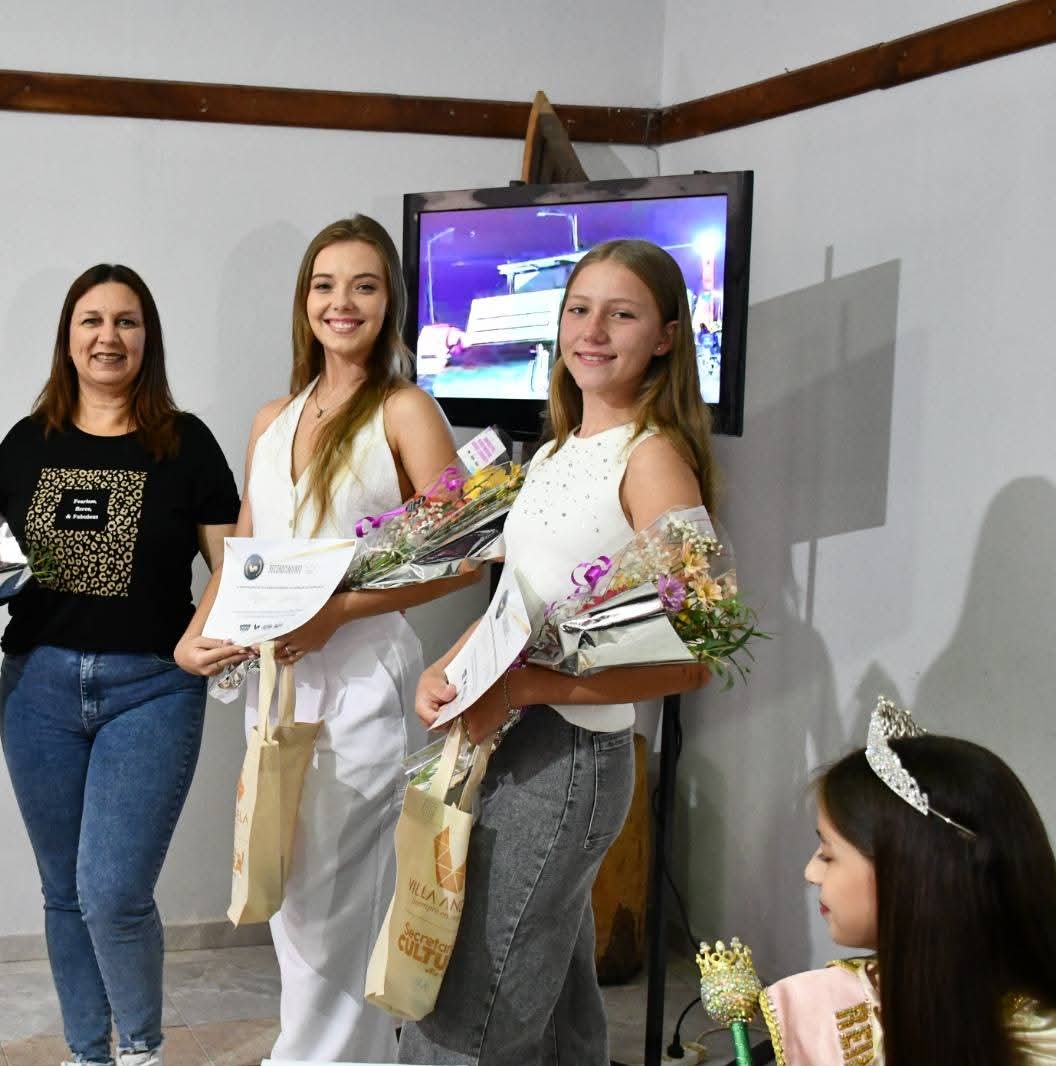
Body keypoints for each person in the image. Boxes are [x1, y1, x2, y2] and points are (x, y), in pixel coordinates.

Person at [400, 239, 716, 1064]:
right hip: (513, 737)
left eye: (623, 313)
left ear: (666, 337)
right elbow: (519, 602)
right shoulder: (550, 452)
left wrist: (532, 690)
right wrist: (454, 662)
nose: (594, 330)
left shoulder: (654, 461)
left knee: (478, 1000)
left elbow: (698, 654)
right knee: (557, 993)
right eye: (580, 309)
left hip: (571, 757)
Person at [176, 214, 481, 1062]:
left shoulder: (405, 409)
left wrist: (340, 611)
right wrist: (196, 635)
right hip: (277, 692)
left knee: (345, 900)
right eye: (324, 285)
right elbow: (246, 548)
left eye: (364, 285)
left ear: (391, 303)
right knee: (292, 894)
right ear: (302, 301)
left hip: (363, 691)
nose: (341, 302)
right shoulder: (274, 416)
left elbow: (464, 557)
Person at [0, 264, 242, 1066]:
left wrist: (199, 634)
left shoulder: (187, 442)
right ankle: (87, 1052)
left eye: (126, 322)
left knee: (114, 892)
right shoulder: (29, 443)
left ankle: (141, 1049)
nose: (108, 337)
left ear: (147, 338)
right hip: (38, 690)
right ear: (67, 337)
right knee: (64, 892)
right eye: (91, 320)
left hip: (152, 689)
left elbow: (233, 564)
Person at [760, 696, 1056, 1064]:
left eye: (828, 855)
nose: (811, 872)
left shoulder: (1038, 1044)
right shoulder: (827, 1003)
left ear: (911, 875)